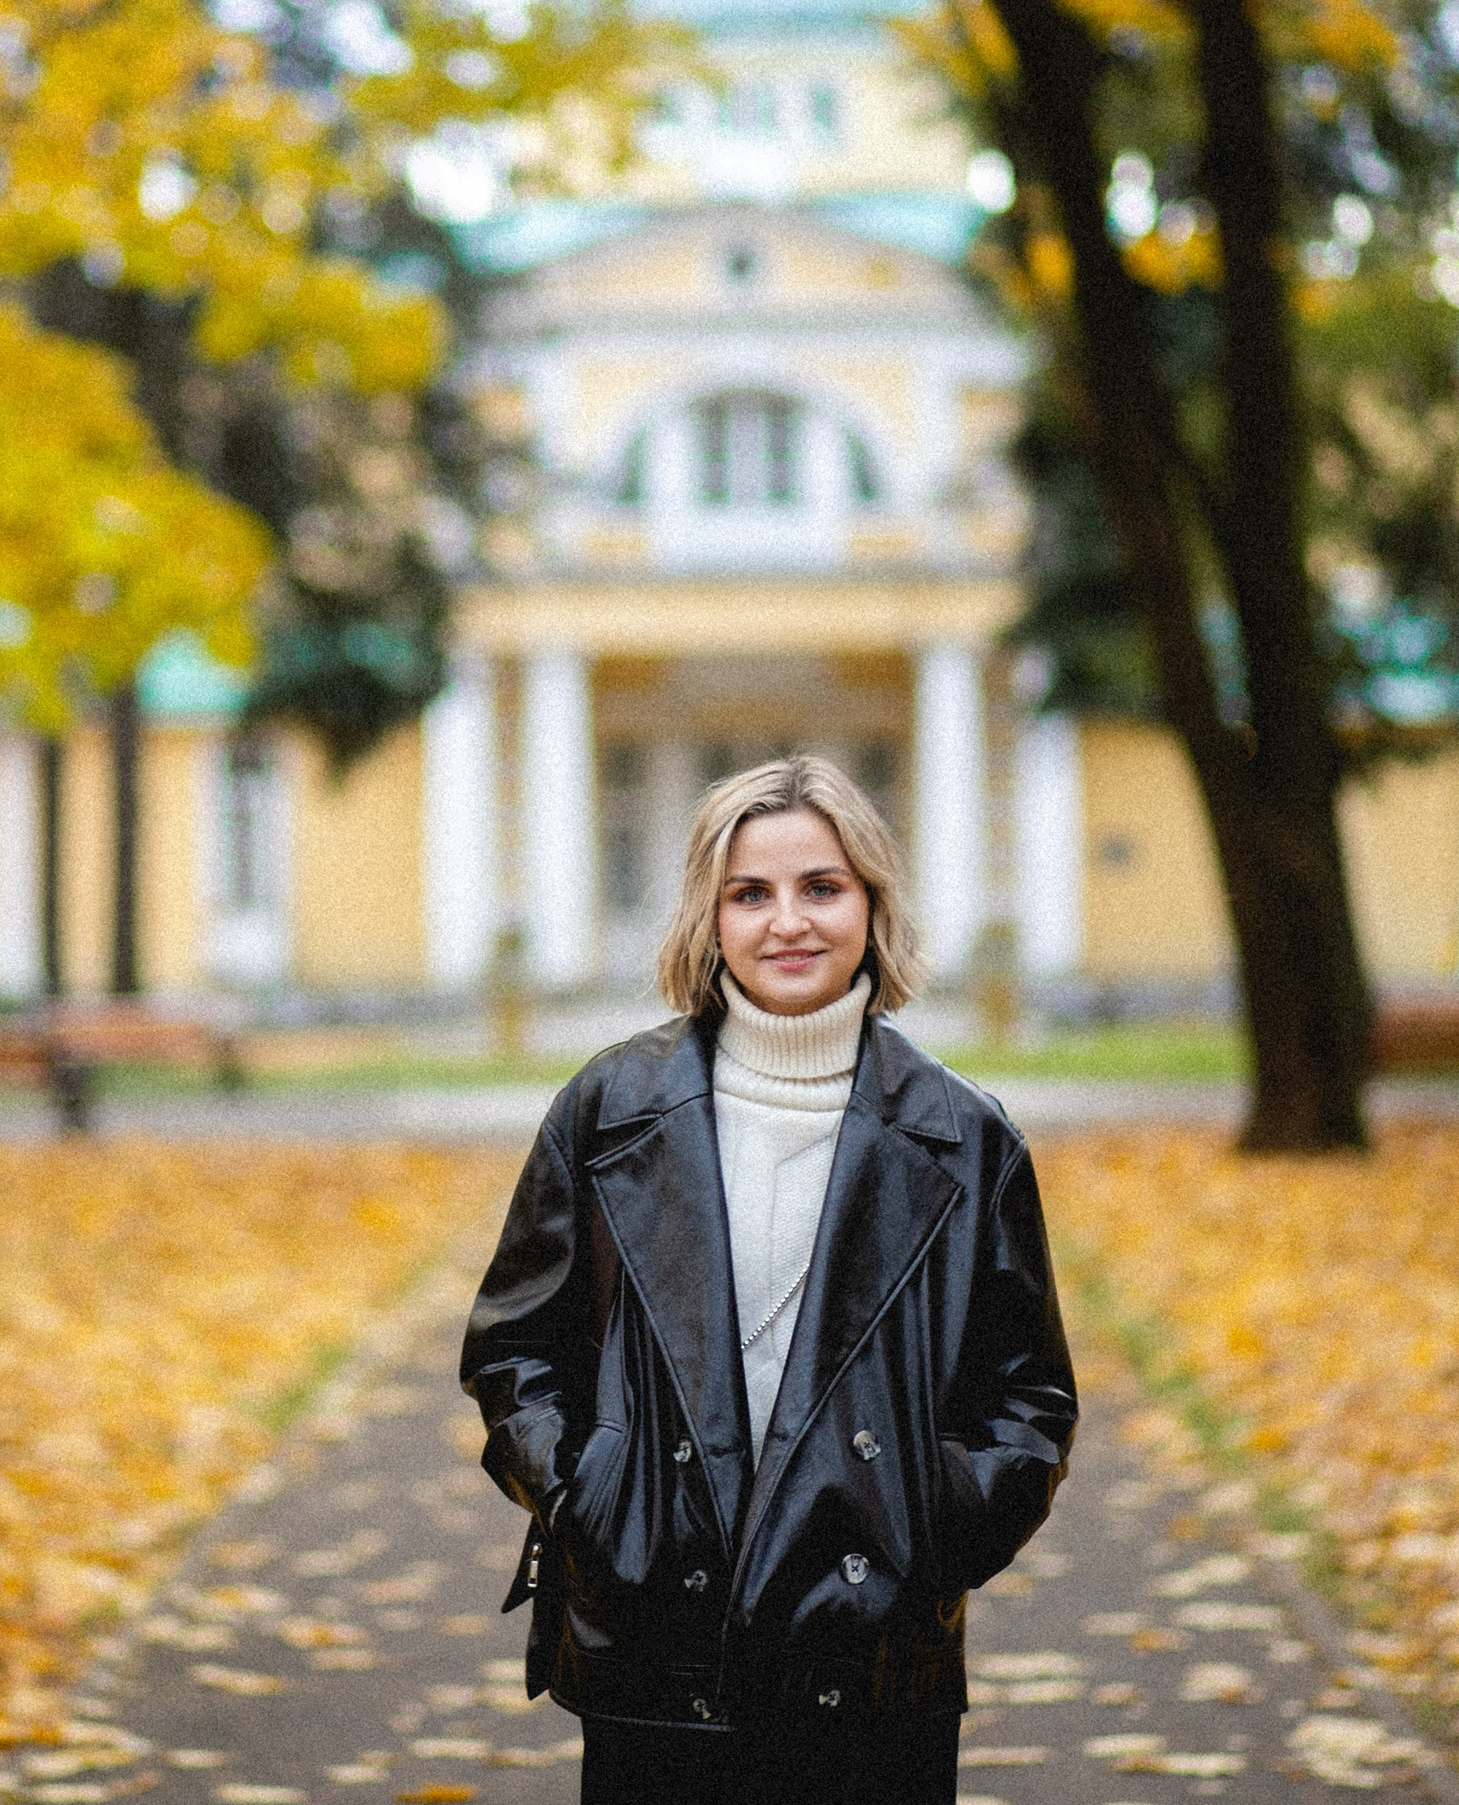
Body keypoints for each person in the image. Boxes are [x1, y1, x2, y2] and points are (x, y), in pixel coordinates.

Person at [460, 754, 1078, 1804]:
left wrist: (926, 1525)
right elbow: (514, 1345)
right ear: (710, 916)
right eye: (751, 892)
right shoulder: (609, 1108)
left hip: (871, 1646)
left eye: (821, 887)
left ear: (872, 905)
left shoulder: (964, 1137)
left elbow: (1028, 1395)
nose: (787, 920)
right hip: (654, 1628)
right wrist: (589, 1496)